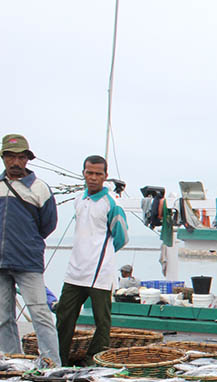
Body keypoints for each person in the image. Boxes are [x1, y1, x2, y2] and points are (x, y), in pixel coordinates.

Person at [55, 155, 128, 365]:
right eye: (89, 173)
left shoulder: (111, 203)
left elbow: (121, 236)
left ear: (105, 176)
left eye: (98, 173)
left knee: (102, 322)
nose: (93, 177)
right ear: (83, 173)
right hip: (74, 271)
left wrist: (103, 255)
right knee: (64, 316)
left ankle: (94, 361)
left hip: (100, 274)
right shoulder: (79, 199)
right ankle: (59, 359)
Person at [0, 134, 61, 366]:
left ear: (27, 159)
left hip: (28, 262)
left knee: (40, 314)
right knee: (2, 319)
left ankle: (52, 365)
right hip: (0, 263)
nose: (15, 162)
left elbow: (48, 224)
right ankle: (11, 363)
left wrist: (27, 242)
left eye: (20, 157)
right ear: (4, 158)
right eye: (10, 157)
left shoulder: (40, 188)